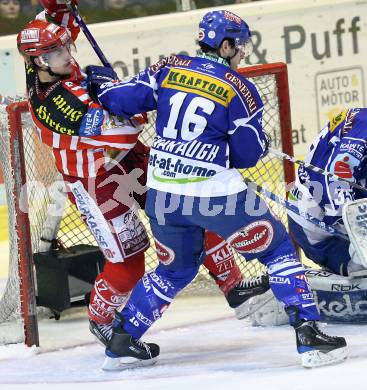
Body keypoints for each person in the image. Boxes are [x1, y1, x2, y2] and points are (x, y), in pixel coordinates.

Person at [87, 9, 347, 370]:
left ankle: (122, 341)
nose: (243, 54)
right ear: (225, 46)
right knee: (278, 251)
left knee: (174, 271)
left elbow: (118, 100)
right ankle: (309, 335)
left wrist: (100, 83)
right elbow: (247, 156)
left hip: (162, 196)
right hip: (216, 197)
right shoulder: (240, 88)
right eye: (240, 47)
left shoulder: (168, 68)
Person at [16, 0, 269, 347]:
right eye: (58, 52)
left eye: (66, 47)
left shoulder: (44, 63)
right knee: (130, 262)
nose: (68, 55)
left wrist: (58, 7)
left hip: (128, 159)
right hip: (96, 180)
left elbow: (58, 20)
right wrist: (124, 102)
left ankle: (233, 285)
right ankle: (101, 318)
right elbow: (125, 130)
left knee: (191, 204)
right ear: (40, 61)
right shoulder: (55, 103)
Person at [247, 108, 367, 326]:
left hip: (343, 215)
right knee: (360, 265)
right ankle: (283, 290)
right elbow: (334, 179)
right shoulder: (362, 128)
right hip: (316, 224)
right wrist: (358, 230)